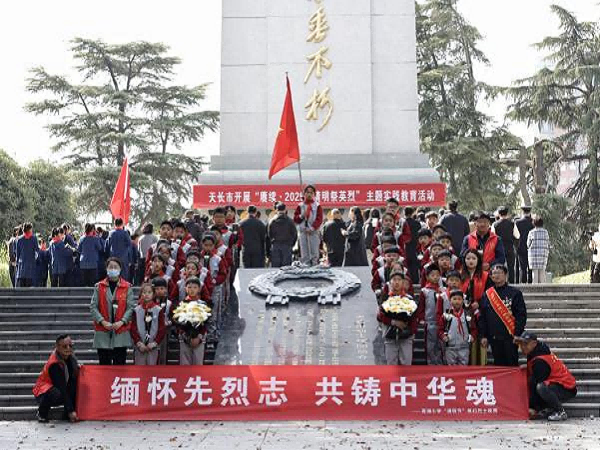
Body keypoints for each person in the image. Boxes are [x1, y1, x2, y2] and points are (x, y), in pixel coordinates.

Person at [515, 331, 577, 421]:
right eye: (521, 344)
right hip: (559, 384)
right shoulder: (536, 351)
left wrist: (533, 408)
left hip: (567, 388)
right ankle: (548, 408)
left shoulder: (540, 361)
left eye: (525, 344)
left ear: (534, 343)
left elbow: (536, 382)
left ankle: (560, 412)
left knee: (541, 387)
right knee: (539, 385)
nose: (522, 347)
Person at [478, 264, 527, 366]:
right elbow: (483, 317)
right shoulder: (487, 294)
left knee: (512, 364)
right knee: (498, 366)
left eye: (500, 273)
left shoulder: (515, 293)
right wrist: (483, 336)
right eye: (494, 273)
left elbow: (521, 315)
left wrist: (517, 333)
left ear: (505, 275)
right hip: (494, 338)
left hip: (510, 337)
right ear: (491, 277)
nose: (497, 275)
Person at [90, 257, 135, 365]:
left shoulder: (127, 287)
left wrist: (122, 321)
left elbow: (130, 307)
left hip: (120, 331)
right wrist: (102, 321)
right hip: (103, 331)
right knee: (104, 364)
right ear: (106, 269)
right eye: (111, 267)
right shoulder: (99, 286)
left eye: (116, 267)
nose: (113, 269)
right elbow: (93, 307)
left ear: (120, 269)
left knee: (120, 365)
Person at [32, 334, 79, 423]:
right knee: (56, 393)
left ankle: (66, 414)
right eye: (64, 346)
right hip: (43, 392)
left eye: (70, 345)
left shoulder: (71, 358)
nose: (68, 348)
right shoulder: (54, 364)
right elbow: (61, 387)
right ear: (57, 347)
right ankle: (42, 414)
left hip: (57, 388)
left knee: (74, 384)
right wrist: (71, 410)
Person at [377, 270, 418, 365]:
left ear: (403, 282)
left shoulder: (409, 299)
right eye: (394, 280)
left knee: (406, 362)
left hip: (406, 335)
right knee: (391, 362)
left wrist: (412, 331)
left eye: (399, 280)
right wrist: (393, 322)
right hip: (389, 334)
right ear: (390, 282)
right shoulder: (386, 298)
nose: (396, 282)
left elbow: (413, 317)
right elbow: (380, 316)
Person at [130, 282, 166, 365]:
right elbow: (133, 329)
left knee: (152, 369)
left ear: (153, 294)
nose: (146, 294)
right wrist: (139, 343)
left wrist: (155, 343)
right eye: (144, 292)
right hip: (140, 347)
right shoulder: (136, 310)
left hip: (153, 347)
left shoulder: (158, 310)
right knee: (139, 369)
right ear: (141, 294)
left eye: (149, 292)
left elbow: (161, 329)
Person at [438, 289, 475, 365]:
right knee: (451, 368)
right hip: (450, 347)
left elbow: (473, 328)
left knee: (463, 367)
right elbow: (440, 329)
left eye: (459, 299)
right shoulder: (446, 314)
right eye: (454, 299)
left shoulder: (468, 314)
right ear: (450, 300)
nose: (457, 301)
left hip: (464, 347)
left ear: (463, 301)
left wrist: (473, 336)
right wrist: (443, 336)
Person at [417, 264, 444, 365]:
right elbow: (421, 306)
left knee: (441, 344)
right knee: (430, 345)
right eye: (432, 275)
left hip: (442, 322)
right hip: (430, 321)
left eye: (437, 275)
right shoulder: (424, 291)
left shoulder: (443, 291)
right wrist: (421, 318)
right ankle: (431, 364)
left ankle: (440, 364)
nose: (435, 277)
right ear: (427, 277)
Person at [179, 277, 208, 365]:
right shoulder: (181, 304)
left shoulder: (203, 304)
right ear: (185, 289)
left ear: (199, 289)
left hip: (199, 338)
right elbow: (178, 322)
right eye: (189, 287)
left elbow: (205, 322)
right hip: (185, 337)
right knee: (185, 363)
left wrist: (199, 336)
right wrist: (185, 335)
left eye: (195, 287)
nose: (192, 290)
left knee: (198, 363)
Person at [293, 185, 323, 266]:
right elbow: (295, 219)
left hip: (313, 232)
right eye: (307, 192)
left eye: (311, 193)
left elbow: (319, 219)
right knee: (304, 253)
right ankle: (305, 266)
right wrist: (301, 216)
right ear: (304, 194)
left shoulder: (317, 206)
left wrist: (312, 228)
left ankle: (314, 266)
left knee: (314, 252)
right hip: (303, 232)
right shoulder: (300, 206)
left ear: (314, 194)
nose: (309, 194)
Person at [267, 202, 297, 268]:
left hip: (276, 245)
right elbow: (294, 234)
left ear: (276, 210)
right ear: (285, 210)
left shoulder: (272, 221)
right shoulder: (290, 221)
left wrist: (273, 242)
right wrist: (291, 244)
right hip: (287, 246)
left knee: (275, 268)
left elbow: (269, 234)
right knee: (287, 268)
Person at [492, 206, 517, 284]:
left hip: (499, 248)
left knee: (499, 267)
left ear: (499, 214)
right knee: (511, 267)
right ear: (507, 213)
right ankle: (512, 284)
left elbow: (492, 237)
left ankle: (499, 282)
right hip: (510, 247)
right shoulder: (512, 223)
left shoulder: (495, 224)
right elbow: (517, 235)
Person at [15, 223, 39, 287]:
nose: (32, 231)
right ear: (29, 230)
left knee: (22, 289)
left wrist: (17, 265)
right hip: (31, 269)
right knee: (30, 289)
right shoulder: (34, 239)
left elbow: (17, 255)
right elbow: (37, 252)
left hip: (22, 270)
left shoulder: (19, 239)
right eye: (31, 229)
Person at [527, 216, 550, 284]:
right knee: (542, 272)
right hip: (543, 254)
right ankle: (543, 288)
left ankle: (535, 288)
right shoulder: (545, 232)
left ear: (534, 223)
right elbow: (548, 243)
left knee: (535, 273)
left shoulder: (531, 232)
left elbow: (528, 244)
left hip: (533, 255)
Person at [515, 205, 535, 284]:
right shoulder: (534, 222)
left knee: (523, 267)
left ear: (522, 212)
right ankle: (530, 281)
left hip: (521, 246)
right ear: (530, 212)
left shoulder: (518, 222)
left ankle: (523, 282)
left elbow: (516, 236)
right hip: (532, 247)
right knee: (530, 266)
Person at [403, 207, 422, 285]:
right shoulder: (417, 223)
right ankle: (415, 281)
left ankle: (407, 281)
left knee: (406, 265)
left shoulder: (402, 223)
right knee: (414, 265)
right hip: (415, 246)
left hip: (405, 246)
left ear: (404, 213)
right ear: (413, 213)